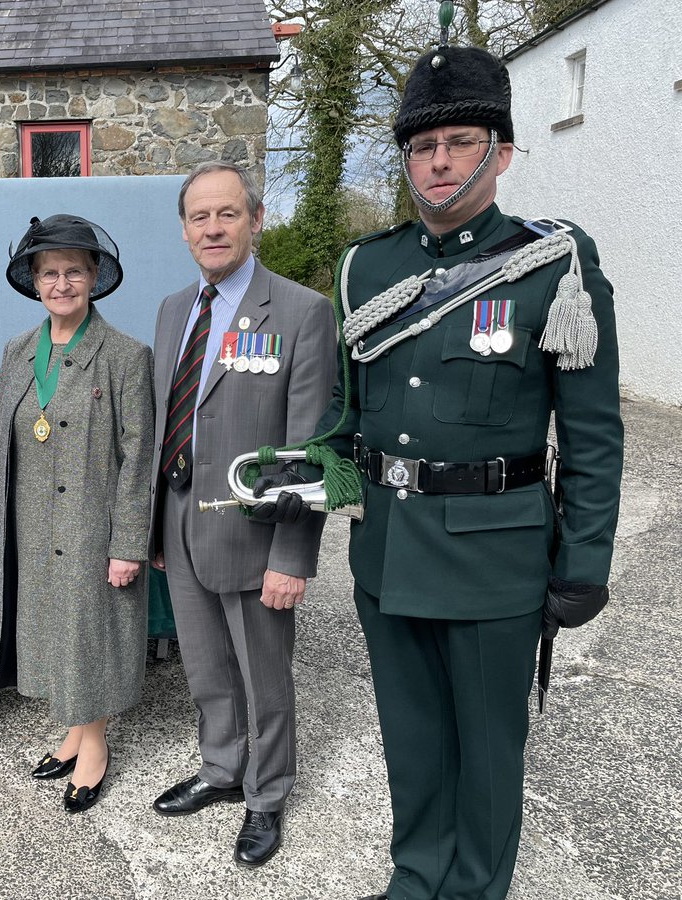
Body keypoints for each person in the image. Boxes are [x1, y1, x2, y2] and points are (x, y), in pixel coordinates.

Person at [260, 43, 622, 900]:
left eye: (460, 142)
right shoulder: (368, 268)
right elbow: (350, 417)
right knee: (414, 740)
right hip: (389, 552)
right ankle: (416, 876)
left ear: (500, 151)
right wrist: (304, 472)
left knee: (489, 754)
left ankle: (473, 889)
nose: (439, 162)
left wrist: (584, 561)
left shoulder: (553, 265)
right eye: (423, 147)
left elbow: (594, 432)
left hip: (497, 556)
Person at [147, 162, 338, 866]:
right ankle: (222, 768)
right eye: (200, 217)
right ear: (186, 229)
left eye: (227, 214)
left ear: (256, 221)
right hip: (180, 523)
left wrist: (293, 556)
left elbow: (309, 446)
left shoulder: (300, 311)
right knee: (204, 666)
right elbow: (168, 419)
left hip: (257, 537)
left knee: (263, 674)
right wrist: (154, 528)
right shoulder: (175, 309)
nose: (213, 228)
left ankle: (267, 793)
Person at [0, 215, 153, 814]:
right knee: (53, 633)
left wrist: (128, 542)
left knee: (89, 634)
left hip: (92, 526)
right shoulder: (18, 350)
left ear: (94, 276)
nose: (61, 283)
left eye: (73, 271)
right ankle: (75, 731)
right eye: (49, 272)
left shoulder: (127, 357)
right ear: (33, 280)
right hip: (31, 523)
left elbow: (139, 457)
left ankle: (95, 746)